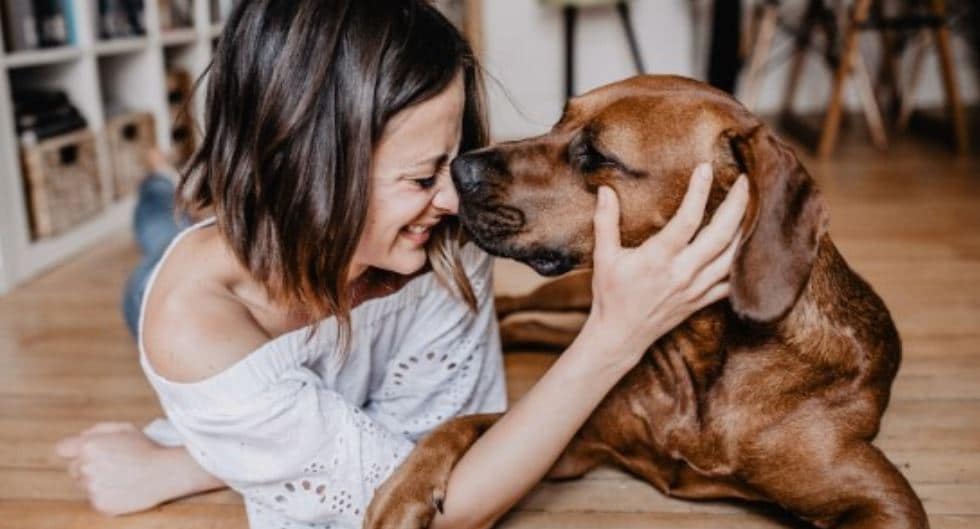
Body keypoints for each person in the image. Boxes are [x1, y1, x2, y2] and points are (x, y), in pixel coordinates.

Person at [54, 1, 749, 528]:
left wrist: (193, 463)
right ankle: (161, 184)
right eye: (420, 177)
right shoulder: (198, 328)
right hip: (211, 288)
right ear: (304, 171)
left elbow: (423, 459)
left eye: (452, 161)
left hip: (284, 232)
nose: (453, 198)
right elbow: (443, 514)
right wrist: (614, 335)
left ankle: (169, 182)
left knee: (189, 208)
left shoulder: (433, 233)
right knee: (159, 241)